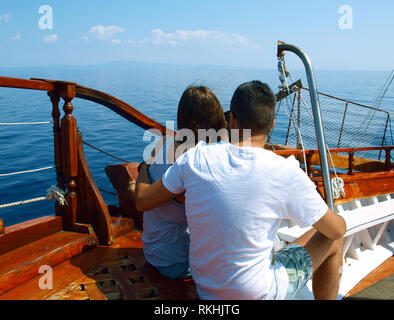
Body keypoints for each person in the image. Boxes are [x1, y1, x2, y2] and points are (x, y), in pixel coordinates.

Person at [135, 80, 346, 300]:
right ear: (272, 124)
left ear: (232, 120)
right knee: (334, 239)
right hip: (256, 294)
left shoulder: (194, 157)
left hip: (205, 288)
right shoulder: (286, 171)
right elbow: (336, 230)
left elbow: (144, 200)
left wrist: (144, 167)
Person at [140, 85, 227, 279]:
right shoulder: (190, 165)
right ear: (200, 128)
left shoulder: (165, 143)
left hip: (155, 251)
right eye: (216, 129)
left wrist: (144, 166)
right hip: (175, 262)